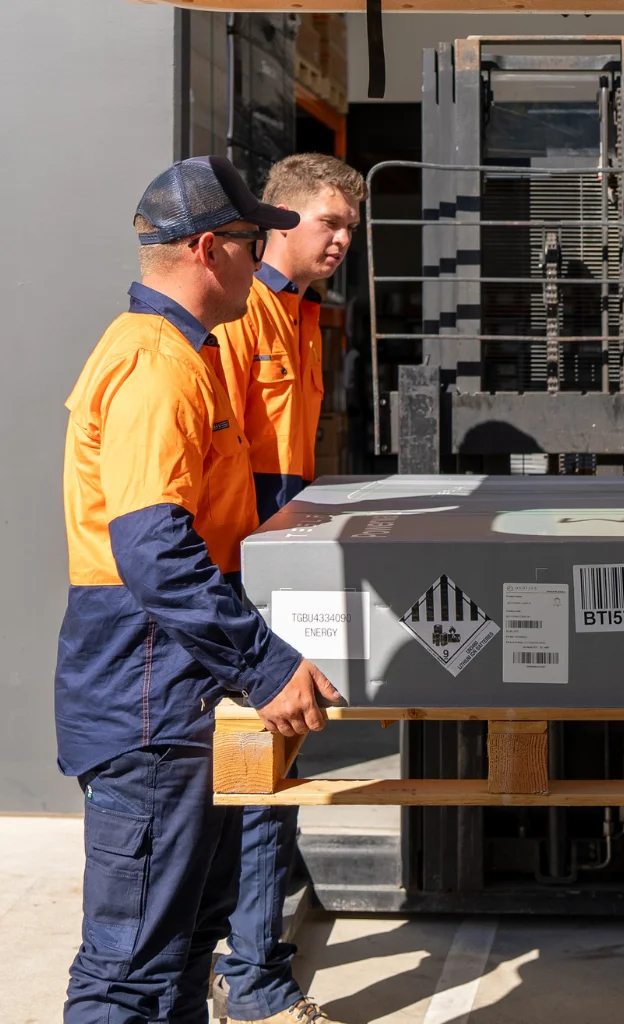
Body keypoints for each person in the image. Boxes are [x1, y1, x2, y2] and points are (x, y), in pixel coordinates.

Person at [56, 155, 341, 1024]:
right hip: (145, 688)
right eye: (255, 243)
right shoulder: (158, 365)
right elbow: (152, 547)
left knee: (182, 944)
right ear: (210, 250)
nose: (262, 263)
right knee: (132, 967)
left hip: (173, 688)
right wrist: (264, 663)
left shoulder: (189, 352)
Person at [212, 153, 365, 1024]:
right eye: (328, 224)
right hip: (241, 562)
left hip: (279, 547)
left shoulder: (304, 317)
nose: (342, 240)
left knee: (285, 755)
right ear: (278, 223)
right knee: (262, 765)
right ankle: (255, 977)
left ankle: (260, 922)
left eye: (350, 227)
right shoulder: (241, 318)